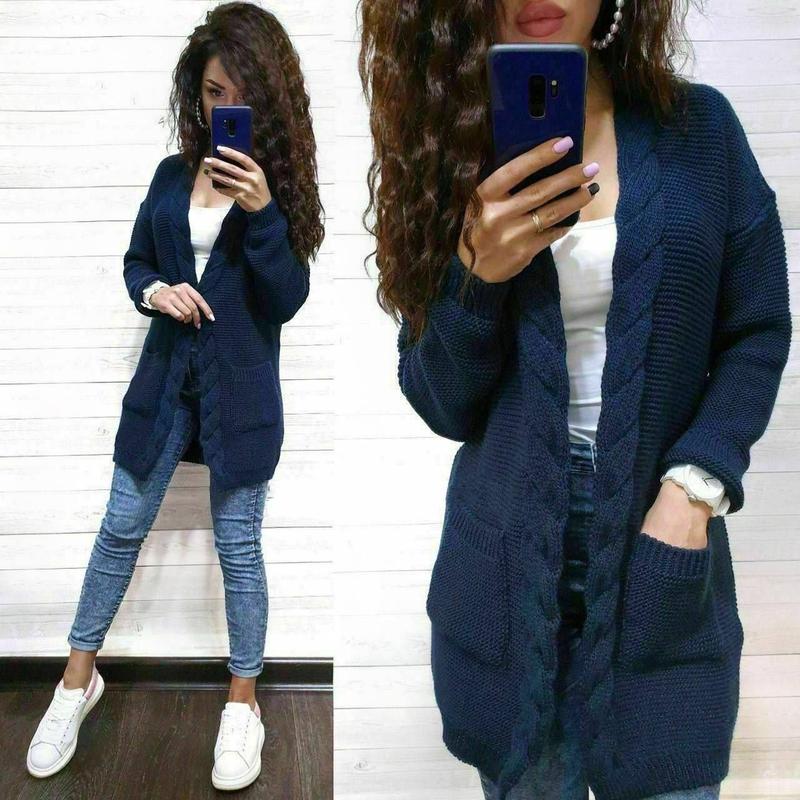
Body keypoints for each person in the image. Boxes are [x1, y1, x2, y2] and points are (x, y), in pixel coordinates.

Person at [358, 0, 791, 798]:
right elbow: (440, 403)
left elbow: (758, 330)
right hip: (503, 563)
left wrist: (695, 488)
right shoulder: (444, 152)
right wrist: (476, 278)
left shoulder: (700, 131)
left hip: (663, 541)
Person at [26, 2, 323, 791]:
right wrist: (156, 291)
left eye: (241, 95)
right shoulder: (169, 177)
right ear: (196, 91)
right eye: (213, 91)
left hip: (242, 397)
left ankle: (243, 702)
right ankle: (76, 682)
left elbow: (287, 299)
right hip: (162, 389)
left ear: (270, 100)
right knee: (120, 528)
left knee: (239, 549)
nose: (224, 108)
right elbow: (135, 263)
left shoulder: (279, 192)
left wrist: (261, 212)